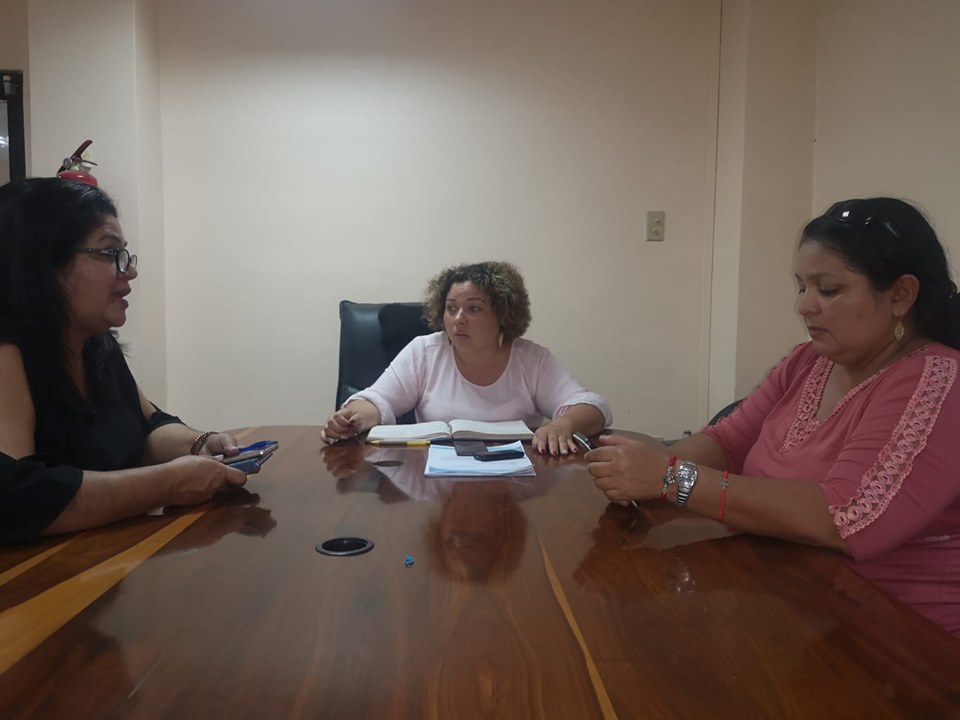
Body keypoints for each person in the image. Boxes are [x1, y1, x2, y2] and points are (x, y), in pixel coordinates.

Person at [587, 197, 960, 636]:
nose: (804, 306)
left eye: (828, 290)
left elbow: (843, 517)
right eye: (802, 287)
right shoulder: (809, 361)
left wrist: (671, 478)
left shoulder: (937, 381)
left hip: (892, 640)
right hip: (785, 599)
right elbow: (728, 442)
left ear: (900, 295)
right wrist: (640, 470)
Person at [0, 177, 248, 544]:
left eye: (125, 254)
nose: (129, 270)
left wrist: (200, 443)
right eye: (108, 252)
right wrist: (170, 482)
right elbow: (13, 496)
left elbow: (148, 428)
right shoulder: (7, 351)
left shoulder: (97, 344)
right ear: (43, 263)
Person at [321, 261, 612, 454]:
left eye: (474, 309)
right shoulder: (424, 352)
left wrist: (564, 424)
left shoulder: (531, 359)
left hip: (514, 485)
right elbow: (378, 399)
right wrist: (352, 417)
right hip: (436, 482)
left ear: (503, 315)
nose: (458, 319)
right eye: (451, 308)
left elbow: (593, 407)